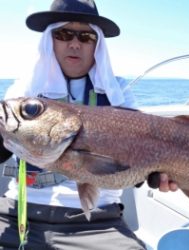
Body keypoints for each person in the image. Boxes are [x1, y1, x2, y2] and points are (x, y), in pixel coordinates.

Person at [0, 0, 178, 249]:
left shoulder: (118, 92)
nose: (74, 43)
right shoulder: (24, 92)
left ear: (97, 44)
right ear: (50, 40)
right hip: (18, 211)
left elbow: (133, 161)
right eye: (64, 34)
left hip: (97, 220)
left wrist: (154, 172)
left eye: (86, 36)